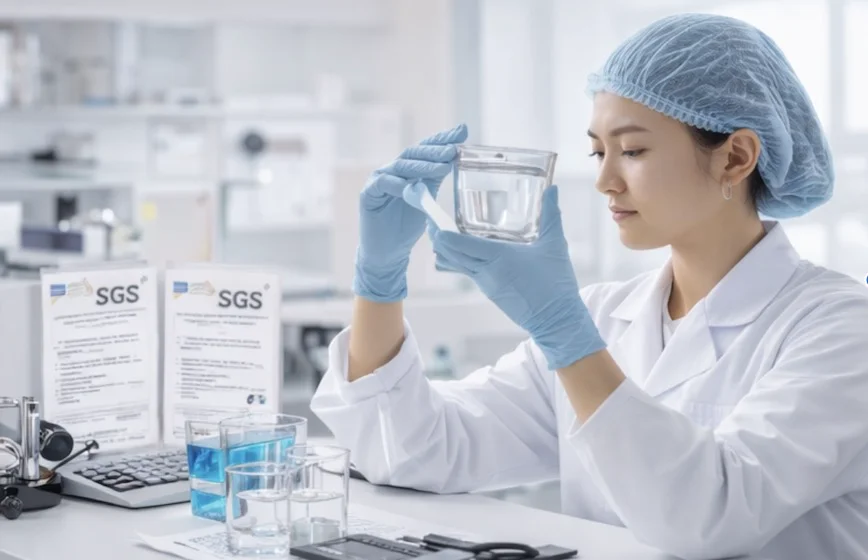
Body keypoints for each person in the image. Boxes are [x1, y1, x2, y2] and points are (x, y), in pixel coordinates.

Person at [310, 13, 868, 560]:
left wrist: (565, 335)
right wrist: (379, 282)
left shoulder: (841, 327)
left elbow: (712, 517)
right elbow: (416, 451)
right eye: (598, 151)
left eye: (632, 150)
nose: (604, 180)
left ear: (737, 157)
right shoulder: (604, 314)